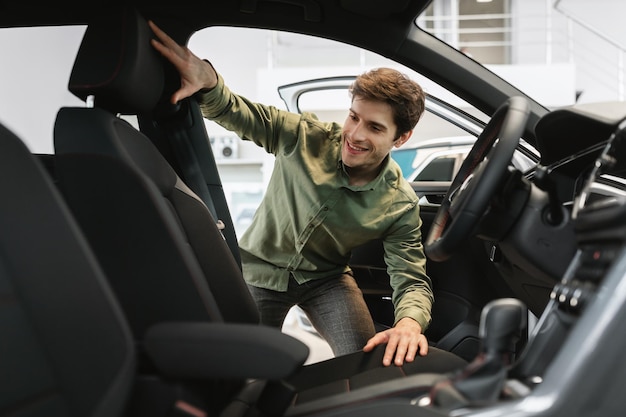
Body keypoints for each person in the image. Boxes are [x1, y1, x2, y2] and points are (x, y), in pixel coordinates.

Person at [150, 21, 433, 367]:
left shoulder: (399, 203)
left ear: (400, 138)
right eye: (353, 117)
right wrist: (209, 80)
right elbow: (239, 112)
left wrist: (409, 322)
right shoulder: (304, 136)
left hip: (327, 280)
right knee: (241, 371)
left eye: (374, 127)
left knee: (367, 363)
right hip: (258, 271)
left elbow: (411, 278)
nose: (355, 135)